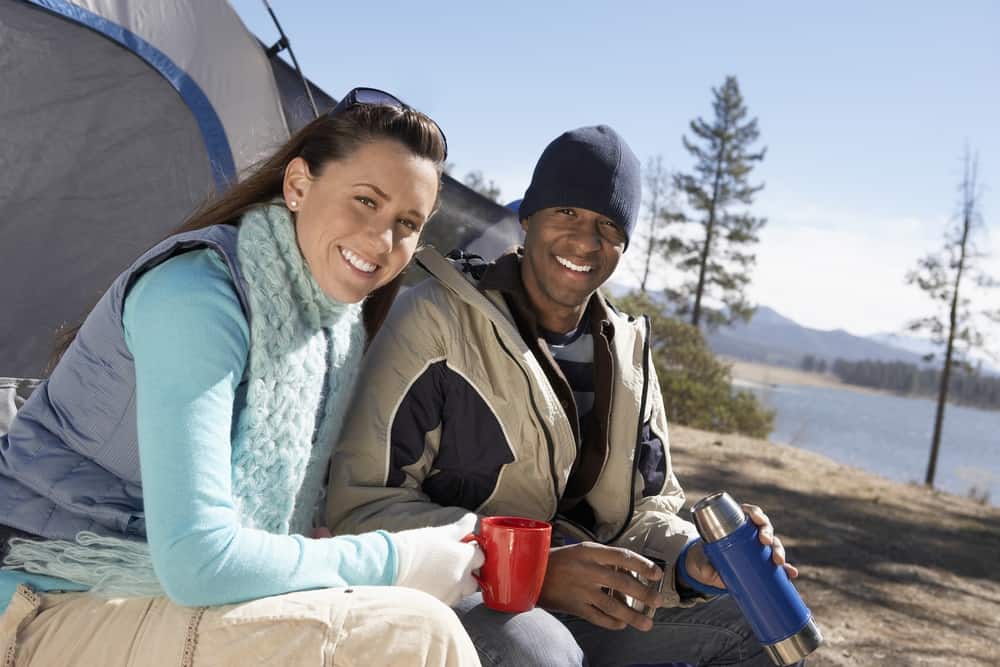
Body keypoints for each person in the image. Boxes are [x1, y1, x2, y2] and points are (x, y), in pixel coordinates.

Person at [0, 87, 483, 666]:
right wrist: (397, 560)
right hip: (42, 600)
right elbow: (199, 560)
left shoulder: (330, 327)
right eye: (365, 201)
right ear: (298, 185)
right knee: (416, 633)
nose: (383, 241)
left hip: (148, 594)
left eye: (407, 223)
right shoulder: (194, 296)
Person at [326, 124, 801, 666]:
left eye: (608, 225)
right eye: (567, 212)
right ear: (528, 217)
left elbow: (647, 509)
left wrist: (692, 560)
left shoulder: (628, 354)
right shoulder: (433, 322)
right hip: (457, 596)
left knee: (763, 620)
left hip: (588, 607)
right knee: (543, 653)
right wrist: (532, 566)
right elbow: (361, 507)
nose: (585, 241)